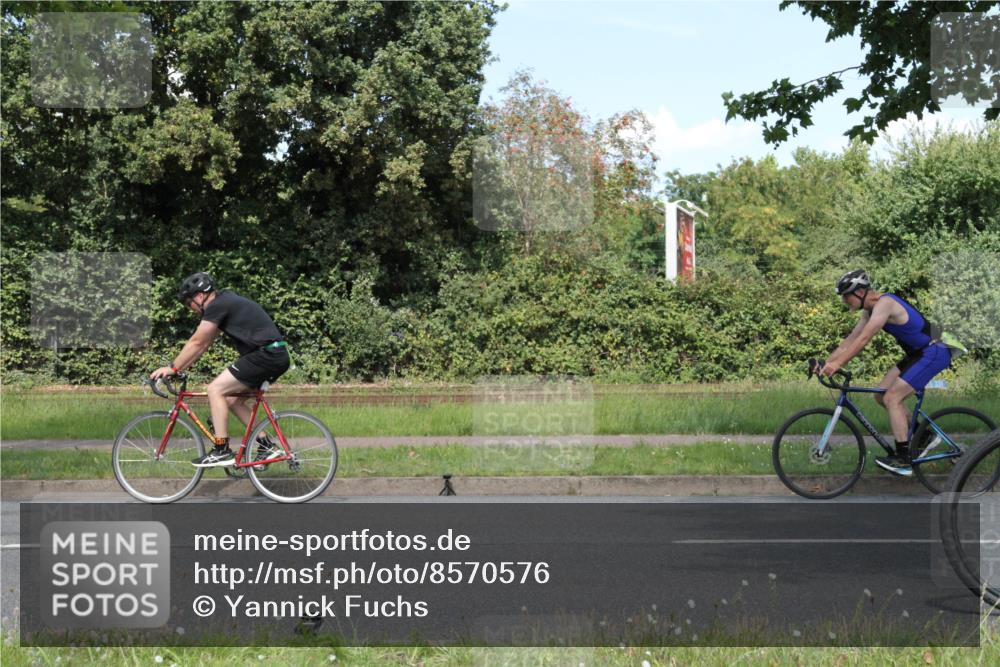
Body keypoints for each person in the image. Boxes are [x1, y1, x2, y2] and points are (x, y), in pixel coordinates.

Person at [821, 269, 954, 476]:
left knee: (893, 398)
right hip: (918, 353)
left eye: (846, 296)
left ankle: (904, 459)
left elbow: (863, 340)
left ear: (859, 292)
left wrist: (838, 365)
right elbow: (851, 340)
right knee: (881, 394)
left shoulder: (885, 304)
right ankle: (924, 436)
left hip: (934, 351)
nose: (845, 301)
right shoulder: (869, 311)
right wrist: (826, 363)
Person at [149, 272, 290, 467]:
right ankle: (266, 446)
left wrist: (172, 368)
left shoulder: (217, 305)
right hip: (272, 355)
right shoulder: (224, 301)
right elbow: (203, 344)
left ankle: (222, 450)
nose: (191, 310)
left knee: (215, 389)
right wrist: (180, 367)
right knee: (232, 400)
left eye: (188, 304)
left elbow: (197, 341)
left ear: (199, 297)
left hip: (265, 355)